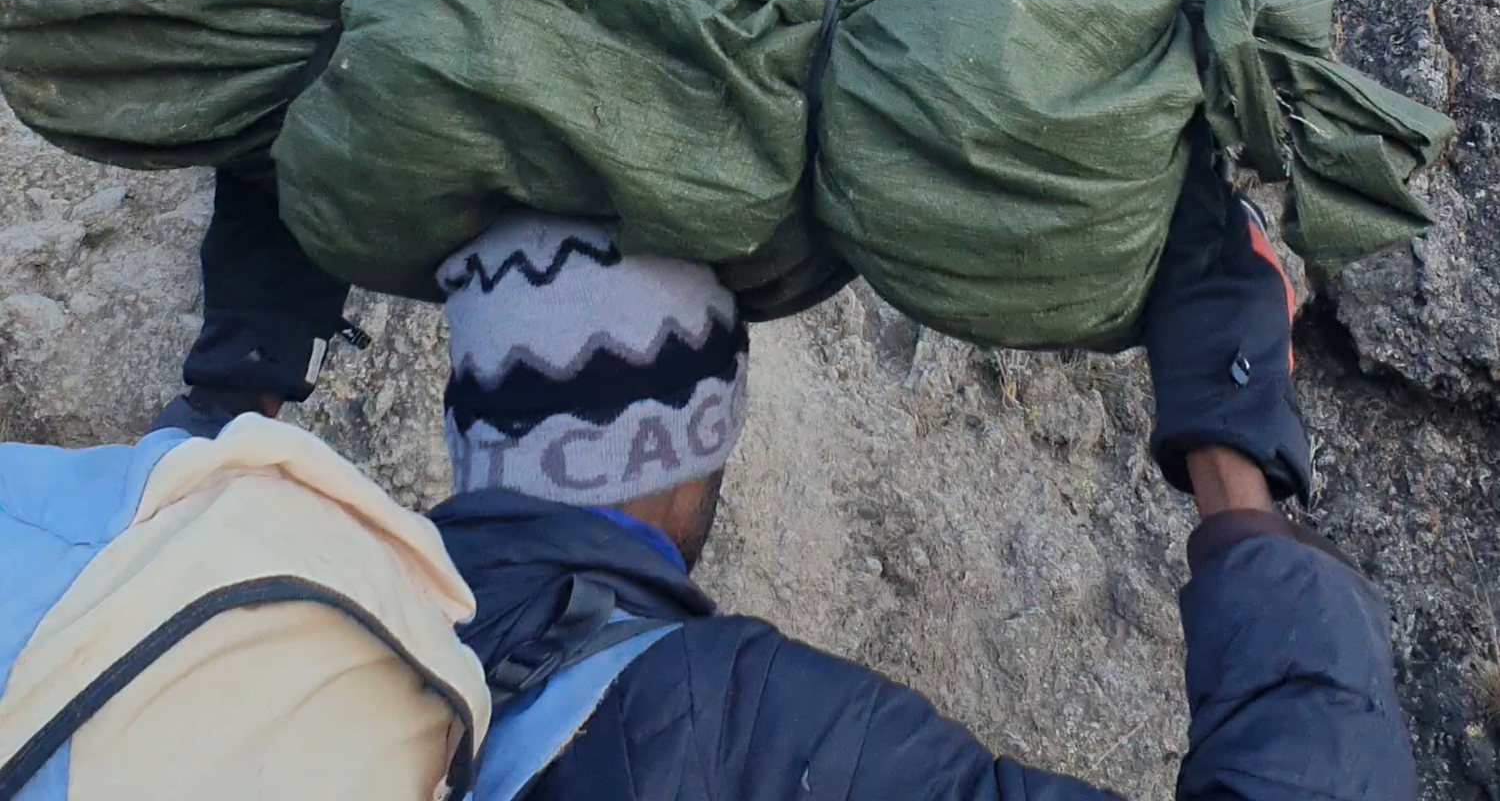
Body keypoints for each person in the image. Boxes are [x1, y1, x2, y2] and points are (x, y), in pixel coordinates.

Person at [158, 140, 1417, 801]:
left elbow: (165, 502)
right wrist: (1232, 456)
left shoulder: (202, 608)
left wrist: (233, 391)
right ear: (686, 452)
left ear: (468, 421)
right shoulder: (741, 731)